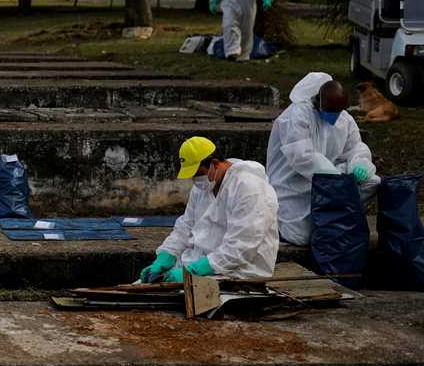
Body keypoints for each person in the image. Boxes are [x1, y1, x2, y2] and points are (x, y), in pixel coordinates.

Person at [140, 136, 279, 283]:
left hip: (238, 271)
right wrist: (167, 254)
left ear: (214, 164)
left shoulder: (249, 188)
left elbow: (241, 246)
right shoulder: (203, 187)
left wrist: (195, 270)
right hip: (199, 264)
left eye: (198, 174)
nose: (196, 181)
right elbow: (186, 226)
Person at [267, 72, 379, 245]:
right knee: (299, 236)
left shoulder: (344, 118)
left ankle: (338, 215)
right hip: (294, 184)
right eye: (331, 112)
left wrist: (360, 163)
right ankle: (329, 216)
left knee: (372, 181)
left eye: (338, 112)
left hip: (331, 180)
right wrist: (334, 179)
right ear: (317, 100)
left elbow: (355, 146)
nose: (334, 118)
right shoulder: (296, 116)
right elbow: (303, 157)